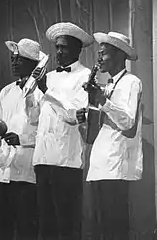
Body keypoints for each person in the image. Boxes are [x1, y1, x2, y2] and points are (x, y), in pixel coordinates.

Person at [77, 32, 142, 240]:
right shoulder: (108, 85)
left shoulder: (132, 82)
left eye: (103, 54)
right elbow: (93, 134)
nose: (99, 59)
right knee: (102, 228)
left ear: (119, 55)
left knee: (116, 228)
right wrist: (86, 115)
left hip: (117, 166)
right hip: (100, 165)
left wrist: (102, 100)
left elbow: (128, 123)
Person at [32, 22, 94, 240]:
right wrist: (33, 90)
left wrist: (46, 91)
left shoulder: (85, 76)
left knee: (67, 224)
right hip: (43, 158)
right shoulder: (48, 76)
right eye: (57, 47)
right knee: (46, 224)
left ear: (77, 50)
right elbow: (36, 117)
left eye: (64, 47)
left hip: (66, 160)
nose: (58, 52)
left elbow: (73, 115)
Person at [0, 38, 44, 240]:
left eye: (19, 59)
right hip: (3, 169)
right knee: (1, 226)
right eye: (12, 59)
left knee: (26, 226)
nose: (14, 63)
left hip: (27, 171)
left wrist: (22, 138)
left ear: (32, 63)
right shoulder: (6, 91)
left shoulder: (42, 93)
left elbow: (47, 132)